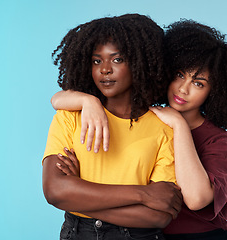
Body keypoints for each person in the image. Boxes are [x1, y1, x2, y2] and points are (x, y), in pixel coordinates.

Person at [52, 19, 227, 240]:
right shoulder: (150, 117)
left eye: (198, 83)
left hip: (201, 235)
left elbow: (196, 199)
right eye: (180, 75)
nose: (183, 88)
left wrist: (179, 126)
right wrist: (88, 102)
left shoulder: (219, 141)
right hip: (149, 233)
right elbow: (57, 99)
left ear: (216, 92)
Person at [42, 14, 183, 240]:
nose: (104, 69)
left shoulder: (163, 127)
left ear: (140, 62)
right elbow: (55, 191)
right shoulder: (70, 116)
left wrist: (78, 194)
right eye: (97, 60)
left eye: (117, 60)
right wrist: (144, 193)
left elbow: (159, 215)